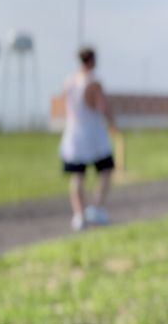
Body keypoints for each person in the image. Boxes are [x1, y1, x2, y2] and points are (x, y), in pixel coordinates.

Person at [59, 47, 116, 231]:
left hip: (73, 135)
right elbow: (101, 106)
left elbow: (64, 105)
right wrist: (112, 123)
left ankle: (79, 215)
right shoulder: (92, 82)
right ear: (92, 61)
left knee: (78, 176)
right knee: (106, 171)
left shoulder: (69, 81)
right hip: (93, 136)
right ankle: (96, 207)